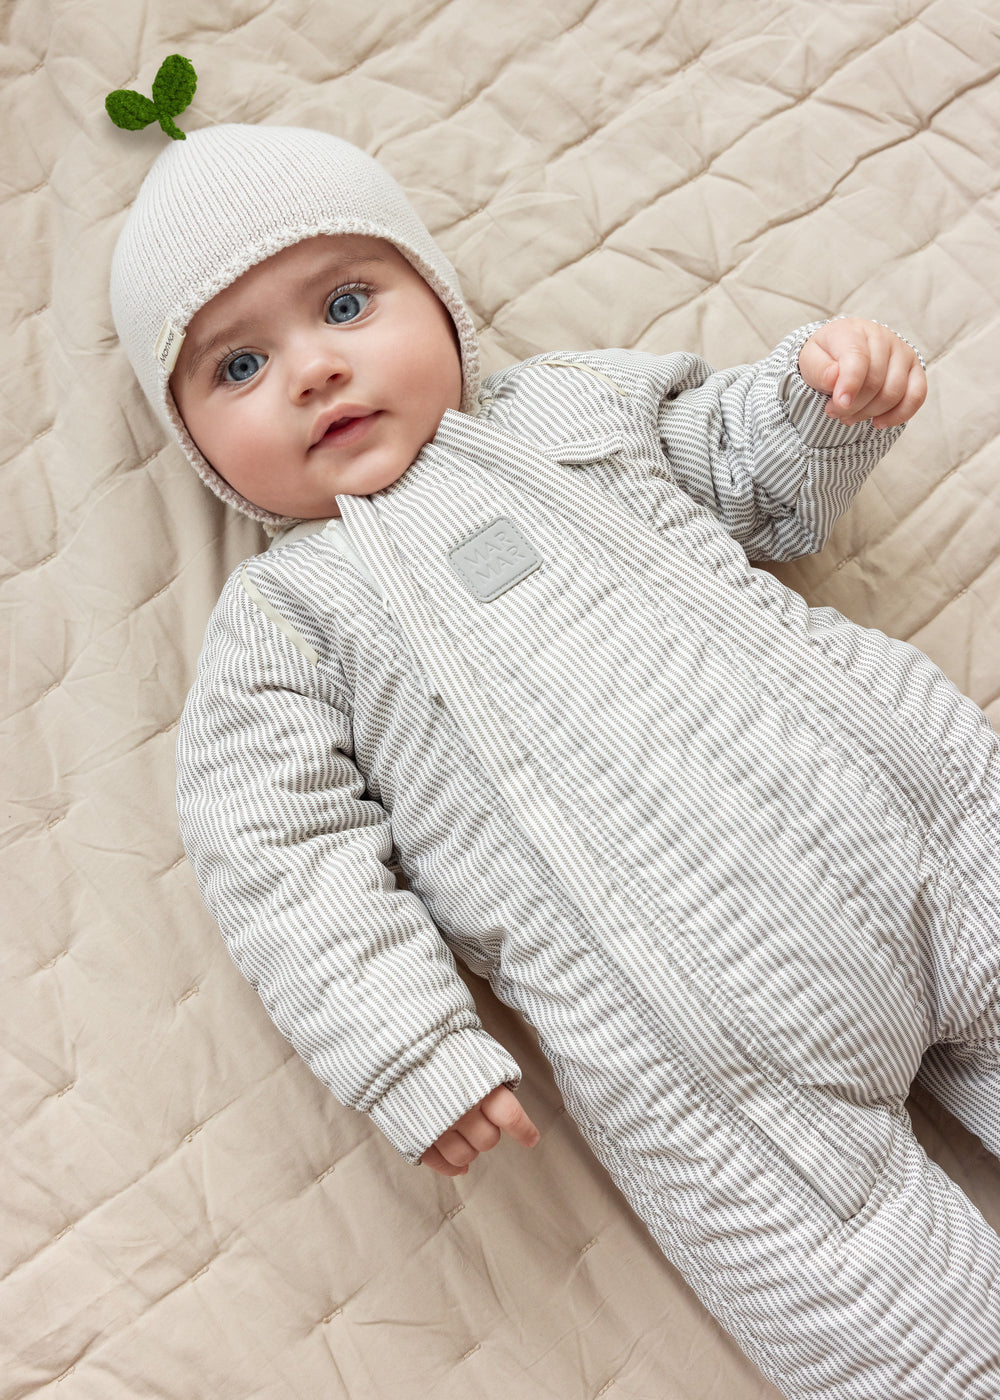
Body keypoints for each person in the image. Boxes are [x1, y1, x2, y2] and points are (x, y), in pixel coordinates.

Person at [110, 123, 1000, 1399]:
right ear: (196, 440)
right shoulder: (288, 622)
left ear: (442, 302)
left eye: (349, 303)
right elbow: (276, 851)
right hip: (710, 1058)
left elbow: (750, 476)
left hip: (938, 841)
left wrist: (819, 400)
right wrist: (407, 1043)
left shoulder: (578, 409)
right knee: (904, 1339)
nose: (313, 369)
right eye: (239, 364)